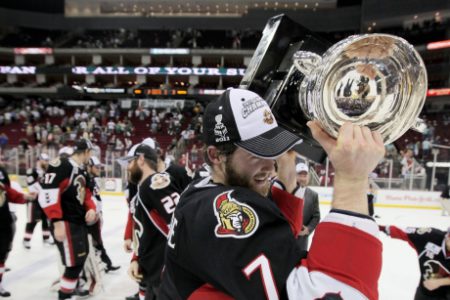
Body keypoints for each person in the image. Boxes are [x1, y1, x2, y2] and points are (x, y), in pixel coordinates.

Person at [160, 88, 385, 299]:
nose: (270, 165)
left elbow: (277, 238)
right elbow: (338, 291)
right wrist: (352, 178)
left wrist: (287, 166)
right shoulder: (221, 207)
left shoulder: (201, 189)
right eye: (256, 153)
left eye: (273, 150)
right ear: (216, 155)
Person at [121, 144, 184, 300]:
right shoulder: (142, 191)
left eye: (130, 162)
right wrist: (136, 259)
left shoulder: (156, 183)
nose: (128, 167)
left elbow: (182, 226)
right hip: (151, 274)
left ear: (141, 159)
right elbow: (146, 235)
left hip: (165, 276)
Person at [38, 139, 97, 300]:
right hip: (66, 221)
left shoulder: (82, 170)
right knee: (74, 264)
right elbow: (48, 191)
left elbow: (87, 195)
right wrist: (56, 221)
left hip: (78, 222)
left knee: (79, 260)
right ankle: (64, 295)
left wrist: (91, 208)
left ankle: (68, 291)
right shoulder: (63, 165)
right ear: (86, 152)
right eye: (90, 153)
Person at [379, 225, 450, 299]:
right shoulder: (431, 236)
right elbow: (405, 232)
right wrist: (375, 226)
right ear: (447, 236)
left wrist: (440, 282)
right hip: (425, 292)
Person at [0, 166, 36, 297]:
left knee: (2, 253)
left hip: (3, 220)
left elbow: (7, 191)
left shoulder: (2, 171)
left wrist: (24, 197)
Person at [86, 156, 120, 272]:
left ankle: (105, 263)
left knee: (97, 242)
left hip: (96, 216)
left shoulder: (93, 180)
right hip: (90, 217)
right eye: (96, 167)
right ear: (89, 166)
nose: (98, 169)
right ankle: (104, 263)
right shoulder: (85, 180)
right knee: (95, 242)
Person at [23, 153, 52, 249]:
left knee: (46, 220)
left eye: (47, 160)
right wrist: (43, 190)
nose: (46, 162)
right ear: (39, 161)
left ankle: (46, 238)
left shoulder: (48, 171)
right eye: (45, 160)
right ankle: (26, 240)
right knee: (32, 220)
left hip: (45, 199)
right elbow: (32, 185)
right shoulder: (31, 171)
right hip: (34, 200)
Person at [294, 162, 320, 251]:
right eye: (299, 175)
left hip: (302, 241)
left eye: (304, 175)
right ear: (294, 176)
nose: (302, 178)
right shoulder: (286, 191)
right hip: (285, 239)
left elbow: (316, 216)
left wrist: (308, 229)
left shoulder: (313, 195)